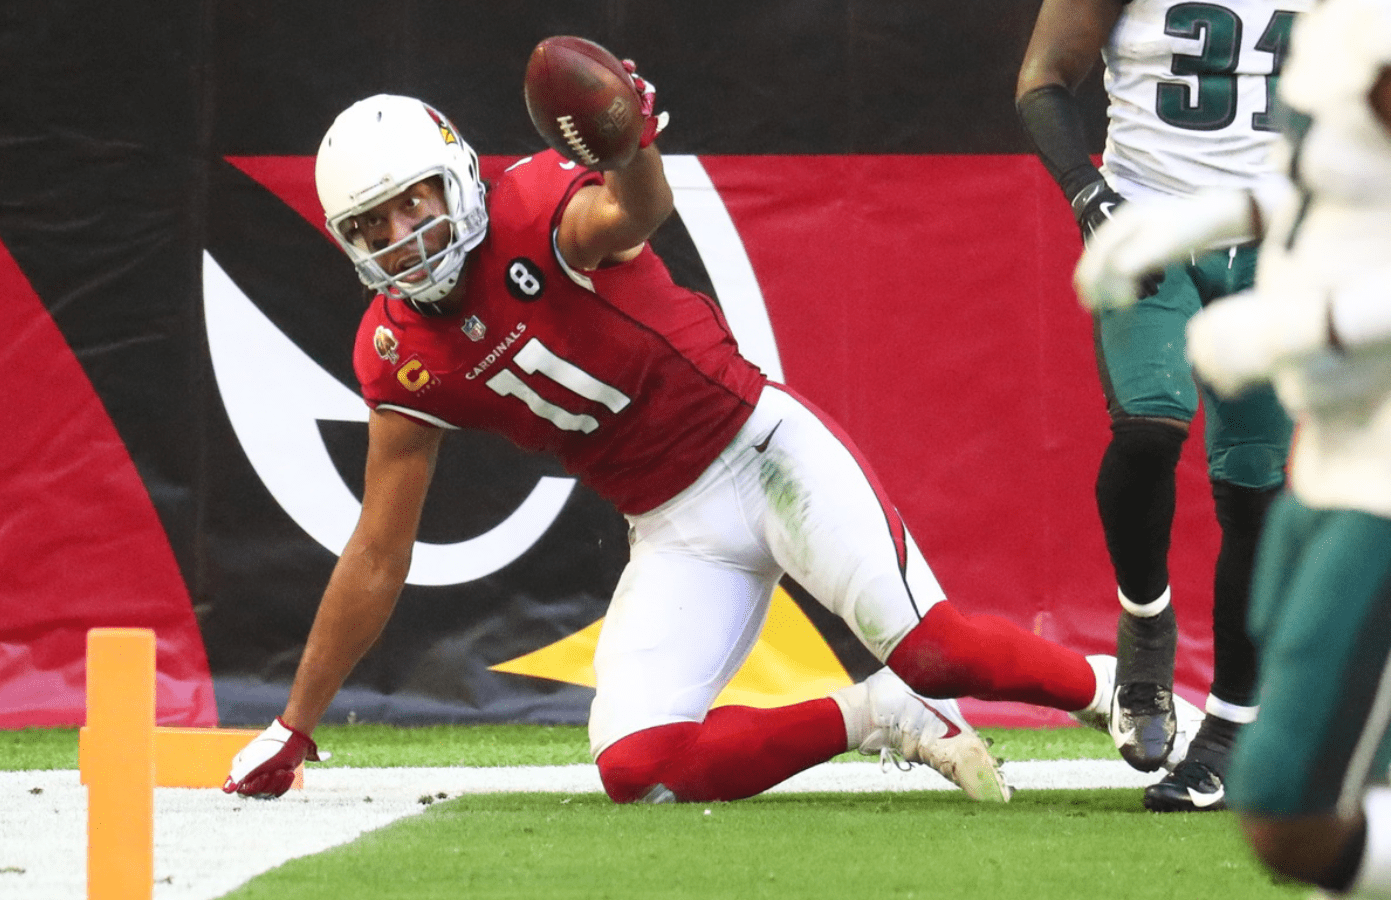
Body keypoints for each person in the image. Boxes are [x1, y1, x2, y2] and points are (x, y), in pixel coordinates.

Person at [220, 56, 1143, 807]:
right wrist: (295, 725)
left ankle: (1123, 692)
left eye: (413, 200)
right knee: (637, 765)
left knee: (939, 648)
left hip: (762, 451)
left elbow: (635, 212)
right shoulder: (396, 350)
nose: (404, 233)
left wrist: (635, 148)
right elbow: (379, 551)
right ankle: (877, 715)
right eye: (374, 223)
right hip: (672, 525)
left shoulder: (537, 213)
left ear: (455, 173)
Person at [1075, 0, 1391, 890]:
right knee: (1286, 805)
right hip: (1338, 460)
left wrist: (1316, 325)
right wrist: (1191, 222)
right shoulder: (1342, 32)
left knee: (1296, 806)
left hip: (1379, 474)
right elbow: (1334, 174)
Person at [1015, 0, 1308, 811]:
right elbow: (1042, 80)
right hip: (1151, 221)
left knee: (1256, 489)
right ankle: (1146, 619)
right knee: (1149, 429)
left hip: (1280, 244)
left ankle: (1228, 731)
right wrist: (1086, 194)